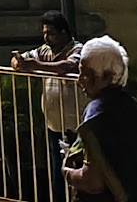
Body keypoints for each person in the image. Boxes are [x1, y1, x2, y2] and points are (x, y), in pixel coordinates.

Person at [62, 36, 137, 202]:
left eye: (86, 74)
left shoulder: (97, 112)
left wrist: (67, 172)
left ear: (107, 76)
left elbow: (92, 182)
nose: (79, 80)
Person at [12, 10, 83, 201]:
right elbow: (21, 59)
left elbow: (67, 67)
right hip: (54, 124)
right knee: (57, 173)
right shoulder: (44, 51)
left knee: (80, 172)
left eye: (51, 33)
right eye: (44, 33)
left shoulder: (77, 49)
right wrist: (20, 63)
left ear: (63, 33)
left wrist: (35, 66)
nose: (47, 38)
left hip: (76, 124)